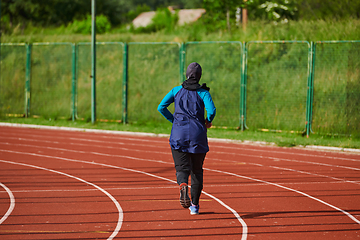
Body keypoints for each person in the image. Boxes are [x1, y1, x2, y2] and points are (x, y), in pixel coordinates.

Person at [157, 62, 216, 215]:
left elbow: (161, 107)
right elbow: (212, 110)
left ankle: (183, 184)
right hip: (198, 136)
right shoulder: (203, 93)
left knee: (181, 168)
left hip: (178, 135)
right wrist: (208, 121)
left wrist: (173, 120)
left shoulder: (176, 90)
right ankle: (194, 206)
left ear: (186, 74)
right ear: (199, 76)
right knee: (197, 171)